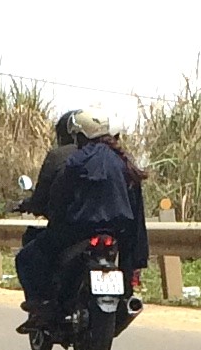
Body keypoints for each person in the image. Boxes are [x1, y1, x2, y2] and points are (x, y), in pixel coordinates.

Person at [15, 110, 149, 323]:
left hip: (77, 231)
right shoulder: (124, 162)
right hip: (119, 233)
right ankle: (125, 299)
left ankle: (44, 305)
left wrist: (56, 219)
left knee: (27, 257)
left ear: (81, 135)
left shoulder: (75, 160)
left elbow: (59, 198)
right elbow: (137, 211)